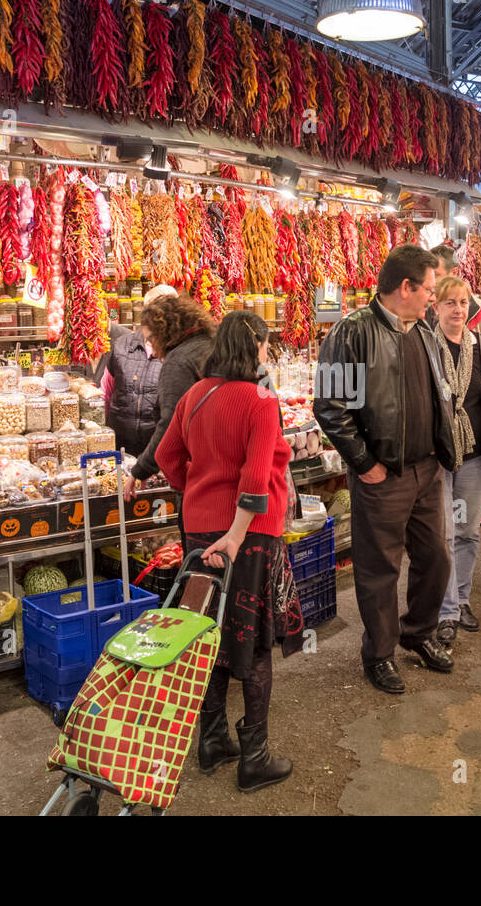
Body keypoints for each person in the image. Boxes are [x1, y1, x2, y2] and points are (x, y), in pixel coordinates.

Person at [154, 310, 294, 793]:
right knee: (252, 644)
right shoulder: (259, 399)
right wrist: (235, 533)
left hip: (198, 534)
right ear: (254, 345)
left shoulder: (195, 395)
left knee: (205, 636)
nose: (268, 352)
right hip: (246, 536)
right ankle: (254, 758)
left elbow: (168, 457)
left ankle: (211, 741)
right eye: (266, 344)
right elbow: (256, 481)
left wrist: (197, 491)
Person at [314, 244, 458, 695]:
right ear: (405, 287)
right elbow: (331, 406)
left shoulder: (423, 330)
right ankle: (379, 654)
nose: (433, 298)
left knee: (435, 559)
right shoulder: (351, 333)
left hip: (426, 471)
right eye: (430, 290)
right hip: (383, 476)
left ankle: (418, 632)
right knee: (380, 571)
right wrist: (366, 464)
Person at [431, 275, 481, 648]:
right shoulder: (425, 348)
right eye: (450, 303)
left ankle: (461, 599)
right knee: (442, 534)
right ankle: (446, 611)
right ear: (436, 308)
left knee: (466, 531)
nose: (457, 310)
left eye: (463, 303)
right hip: (436, 456)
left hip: (474, 455)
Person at [124, 296, 216, 502]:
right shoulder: (217, 343)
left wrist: (141, 469)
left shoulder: (179, 362)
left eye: (150, 340)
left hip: (201, 476)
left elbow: (171, 424)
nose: (153, 351)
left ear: (164, 332)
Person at [98, 284, 176, 457]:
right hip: (120, 445)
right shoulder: (122, 345)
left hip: (161, 448)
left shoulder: (180, 351)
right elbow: (105, 393)